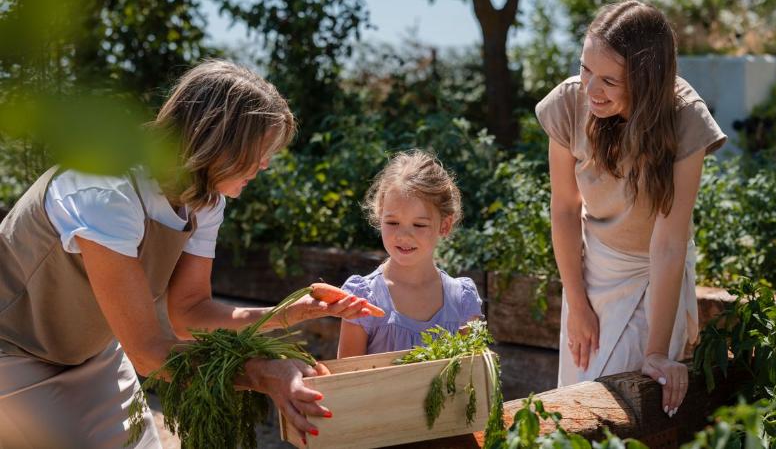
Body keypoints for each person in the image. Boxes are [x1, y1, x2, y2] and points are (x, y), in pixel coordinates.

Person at [0, 60, 373, 448]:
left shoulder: (204, 200)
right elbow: (147, 352)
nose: (265, 164)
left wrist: (291, 312)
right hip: (11, 354)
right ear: (217, 139)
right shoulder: (106, 191)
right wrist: (261, 373)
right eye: (261, 150)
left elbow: (190, 313)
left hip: (91, 354)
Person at [535, 0, 727, 417]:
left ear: (646, 80)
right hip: (592, 273)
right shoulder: (569, 102)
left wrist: (657, 351)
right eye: (585, 69)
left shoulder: (685, 118)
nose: (591, 89)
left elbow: (670, 243)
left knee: (628, 410)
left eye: (609, 80)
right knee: (575, 408)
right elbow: (565, 209)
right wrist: (578, 302)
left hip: (655, 276)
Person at [337, 150, 483, 357]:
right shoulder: (363, 298)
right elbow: (347, 382)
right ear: (379, 218)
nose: (404, 236)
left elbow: (473, 377)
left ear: (445, 225)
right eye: (392, 222)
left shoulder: (462, 300)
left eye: (419, 224)